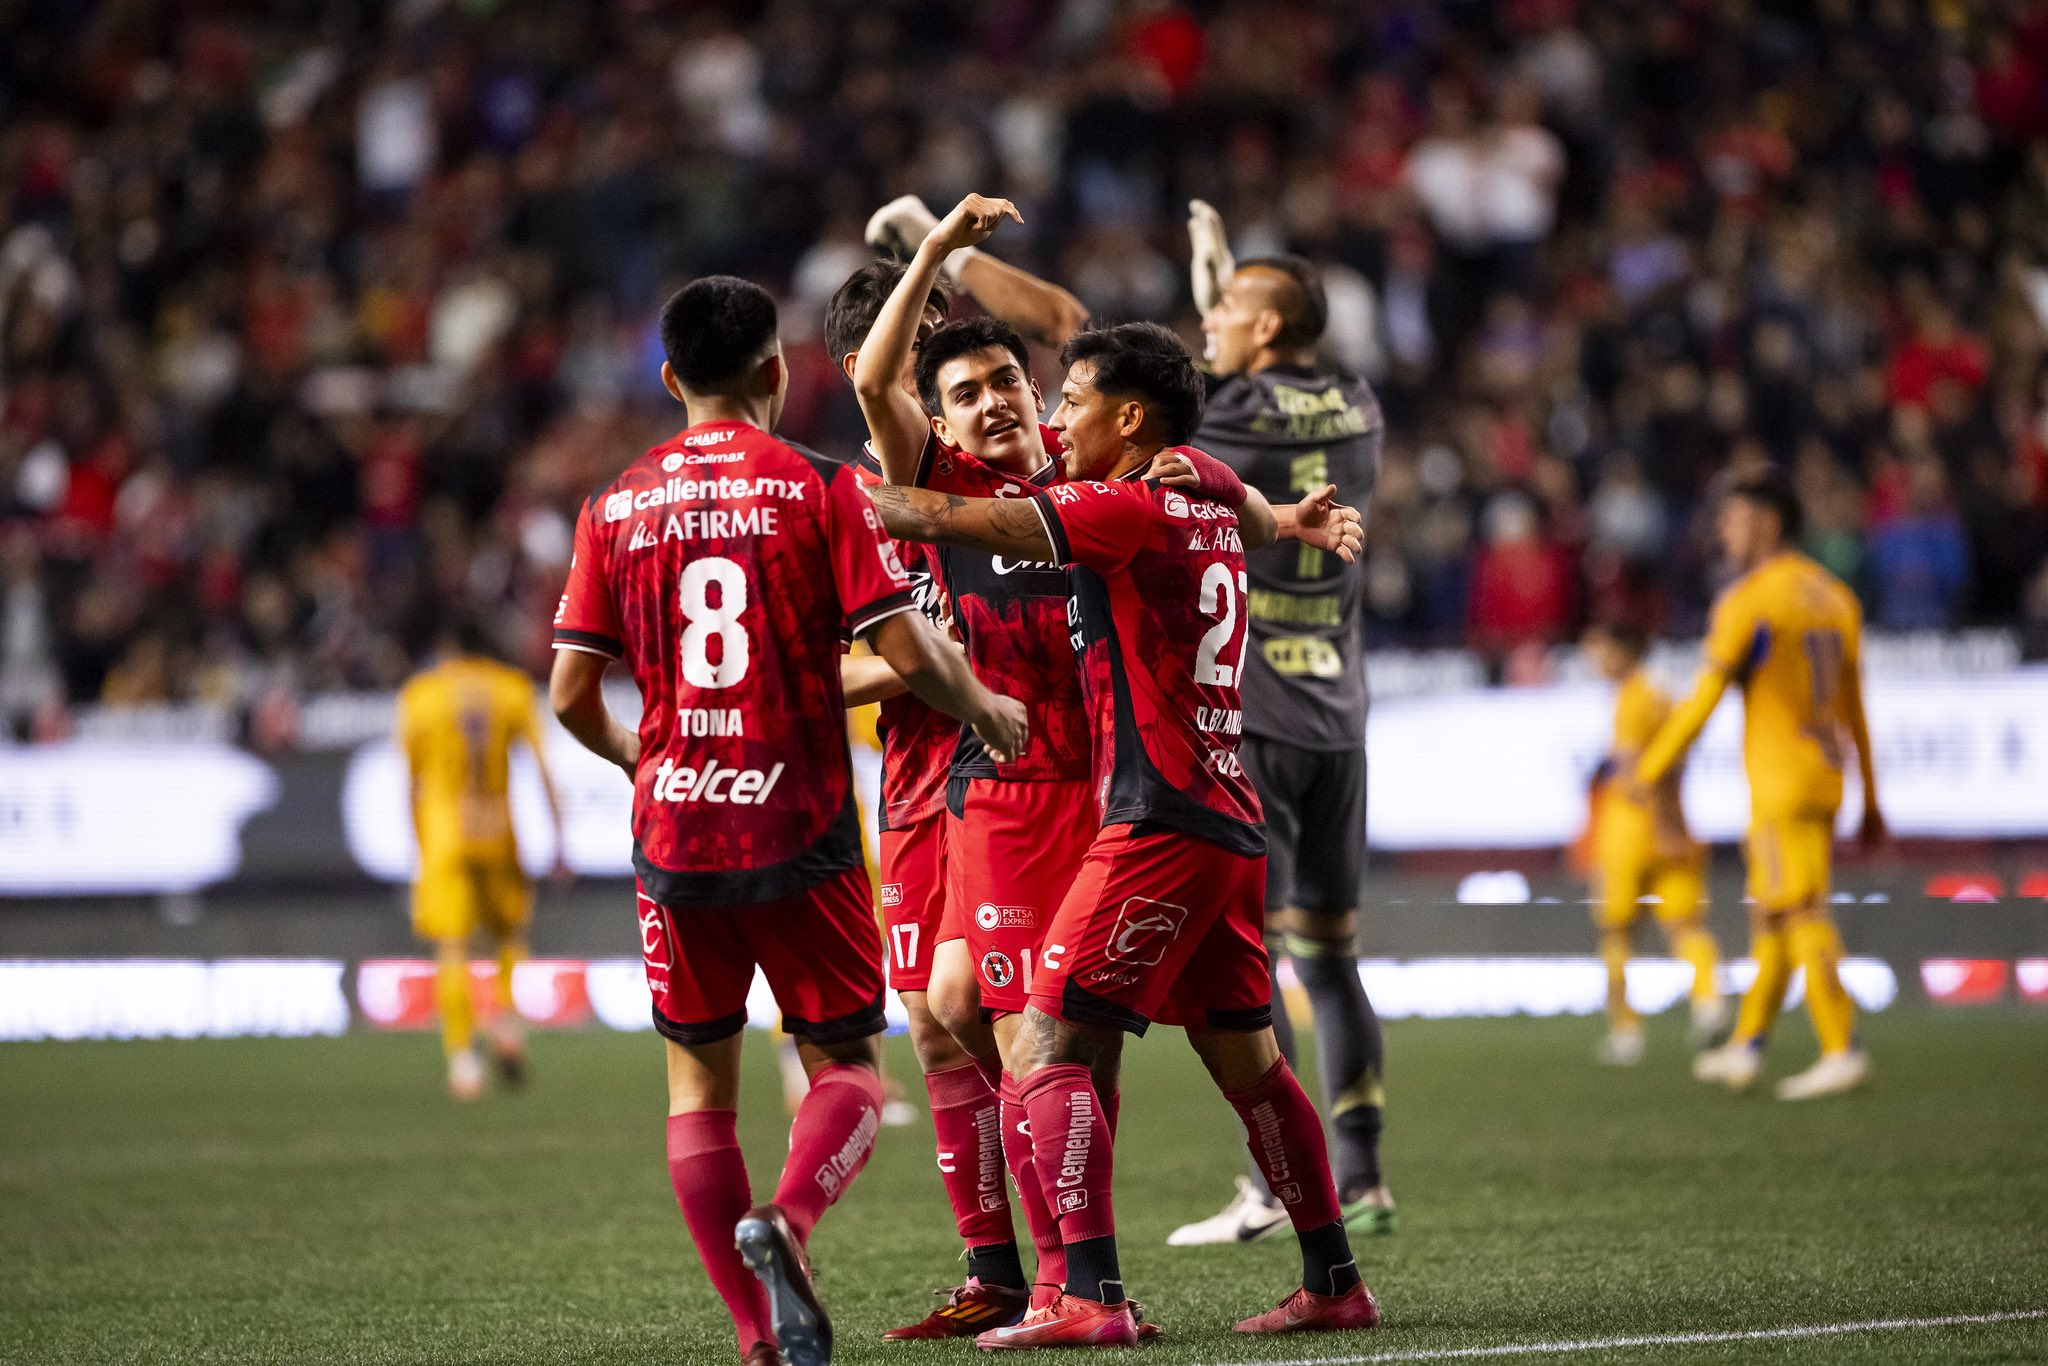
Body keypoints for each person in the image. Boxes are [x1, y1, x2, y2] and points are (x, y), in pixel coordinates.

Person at [868, 321, 1378, 1348]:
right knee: (1250, 1061)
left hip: (1156, 819)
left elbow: (953, 515)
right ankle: (1332, 1277)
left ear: (1128, 418)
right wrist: (1290, 520)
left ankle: (1088, 1296)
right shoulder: (1198, 481)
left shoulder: (1121, 509)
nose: (1055, 417)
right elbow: (1239, 501)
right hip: (1227, 815)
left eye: (1072, 400)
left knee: (1046, 1036)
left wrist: (818, 496)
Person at [547, 275, 1027, 1366]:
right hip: (796, 825)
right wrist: (983, 703)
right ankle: (790, 1220)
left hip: (673, 833)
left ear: (669, 379)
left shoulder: (611, 503)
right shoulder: (816, 487)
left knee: (696, 1089)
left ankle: (757, 1339)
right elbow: (906, 651)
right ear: (776, 371)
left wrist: (646, 759)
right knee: (849, 1064)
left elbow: (571, 694)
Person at [818, 198, 1093, 1339]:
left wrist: (950, 237)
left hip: (1015, 767)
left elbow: (1072, 323)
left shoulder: (1012, 459)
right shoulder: (866, 491)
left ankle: (1072, 1271)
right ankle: (996, 1266)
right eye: (926, 325)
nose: (958, 348)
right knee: (936, 1023)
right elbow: (837, 661)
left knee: (999, 1010)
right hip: (920, 777)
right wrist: (913, 670)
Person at [1170, 206, 1397, 1244]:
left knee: (1245, 962)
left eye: (1220, 311)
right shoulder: (1358, 404)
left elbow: (1184, 418)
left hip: (1254, 711)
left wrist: (1218, 284)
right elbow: (1270, 384)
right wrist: (1225, 277)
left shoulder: (1226, 418)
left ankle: (1272, 1186)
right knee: (1332, 955)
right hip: (1338, 716)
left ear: (1261, 331)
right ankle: (1361, 1175)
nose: (1205, 321)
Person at [1634, 473, 1885, 1102]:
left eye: (1734, 518)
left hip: (1780, 782)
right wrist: (1874, 799)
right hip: (1827, 777)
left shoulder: (1750, 599)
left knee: (1800, 909)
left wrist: (1652, 765)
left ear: (1768, 522)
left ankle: (1841, 1046)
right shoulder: (1835, 597)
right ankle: (1746, 1047)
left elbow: (1703, 698)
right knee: (1773, 913)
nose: (1723, 531)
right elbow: (1856, 707)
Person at [397, 618, 568, 1100]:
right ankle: (507, 1021)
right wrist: (559, 840)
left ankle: (463, 1062)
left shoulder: (422, 695)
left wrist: (420, 844)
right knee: (509, 935)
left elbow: (410, 782)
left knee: (453, 946)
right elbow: (541, 768)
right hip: (498, 830)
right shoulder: (510, 689)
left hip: (445, 835)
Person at [1579, 619, 1726, 1067]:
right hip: (1676, 827)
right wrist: (1673, 825)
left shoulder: (1632, 698)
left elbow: (1637, 771)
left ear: (1624, 651)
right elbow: (1675, 761)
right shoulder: (1664, 693)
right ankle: (1709, 1003)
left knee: (1617, 931)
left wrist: (1655, 820)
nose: (1594, 659)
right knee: (1686, 928)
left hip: (1630, 827)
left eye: (1600, 649)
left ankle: (1626, 1033)